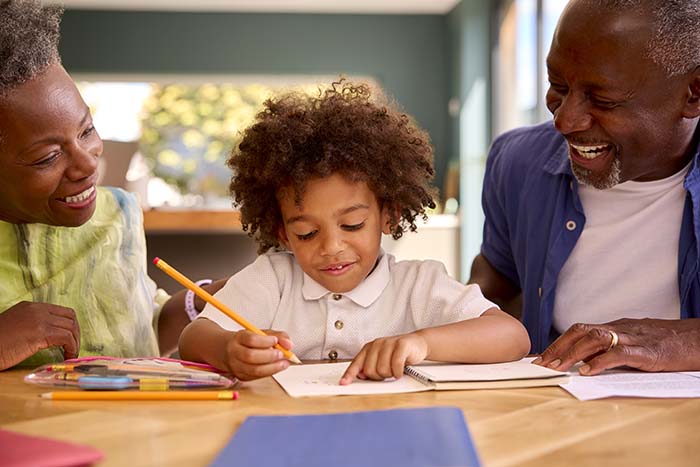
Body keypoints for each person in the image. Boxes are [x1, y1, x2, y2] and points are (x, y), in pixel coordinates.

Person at [179, 80, 530, 383]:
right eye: (306, 233)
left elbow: (512, 336)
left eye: (352, 225)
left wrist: (420, 342)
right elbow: (194, 336)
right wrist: (228, 349)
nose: (331, 247)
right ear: (283, 233)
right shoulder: (272, 279)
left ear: (388, 216)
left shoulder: (418, 284)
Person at [469, 0, 700, 376]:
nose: (565, 120)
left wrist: (682, 341)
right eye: (557, 86)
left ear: (693, 93)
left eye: (603, 100)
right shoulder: (517, 162)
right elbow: (497, 283)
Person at [0, 0, 224, 371]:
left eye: (86, 130)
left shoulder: (118, 212)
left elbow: (140, 332)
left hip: (128, 427)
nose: (89, 164)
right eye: (48, 157)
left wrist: (197, 302)